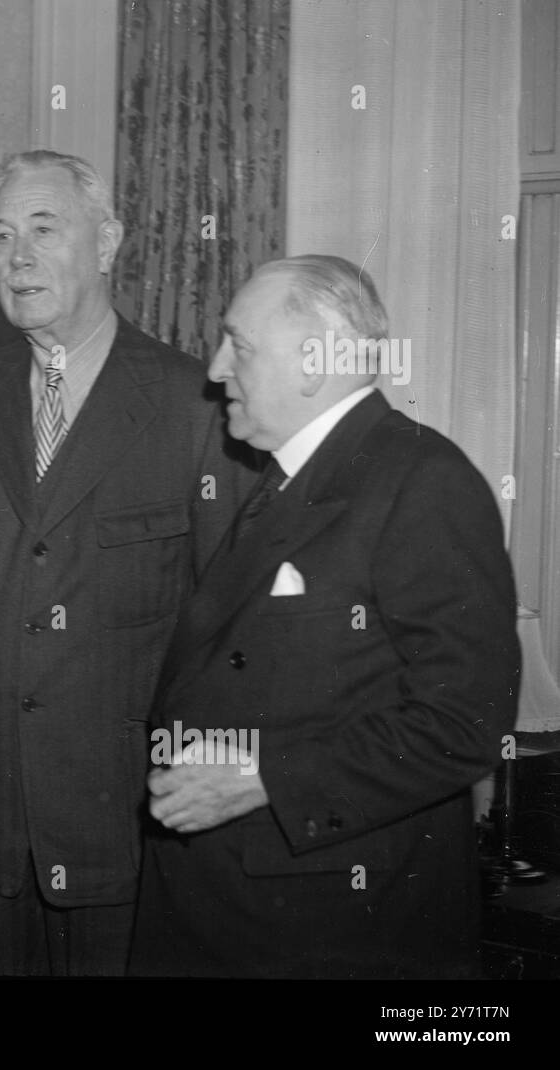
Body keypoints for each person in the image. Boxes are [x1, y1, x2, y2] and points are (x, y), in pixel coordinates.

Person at [0, 149, 252, 975]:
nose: (17, 258)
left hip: (128, 836)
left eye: (44, 230)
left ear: (109, 241)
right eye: (3, 237)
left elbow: (230, 632)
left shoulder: (197, 408)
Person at [129, 255, 520, 978]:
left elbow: (468, 722)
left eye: (238, 345)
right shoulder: (284, 479)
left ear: (315, 361)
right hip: (232, 907)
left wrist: (261, 777)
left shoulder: (423, 481)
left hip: (329, 931)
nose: (216, 370)